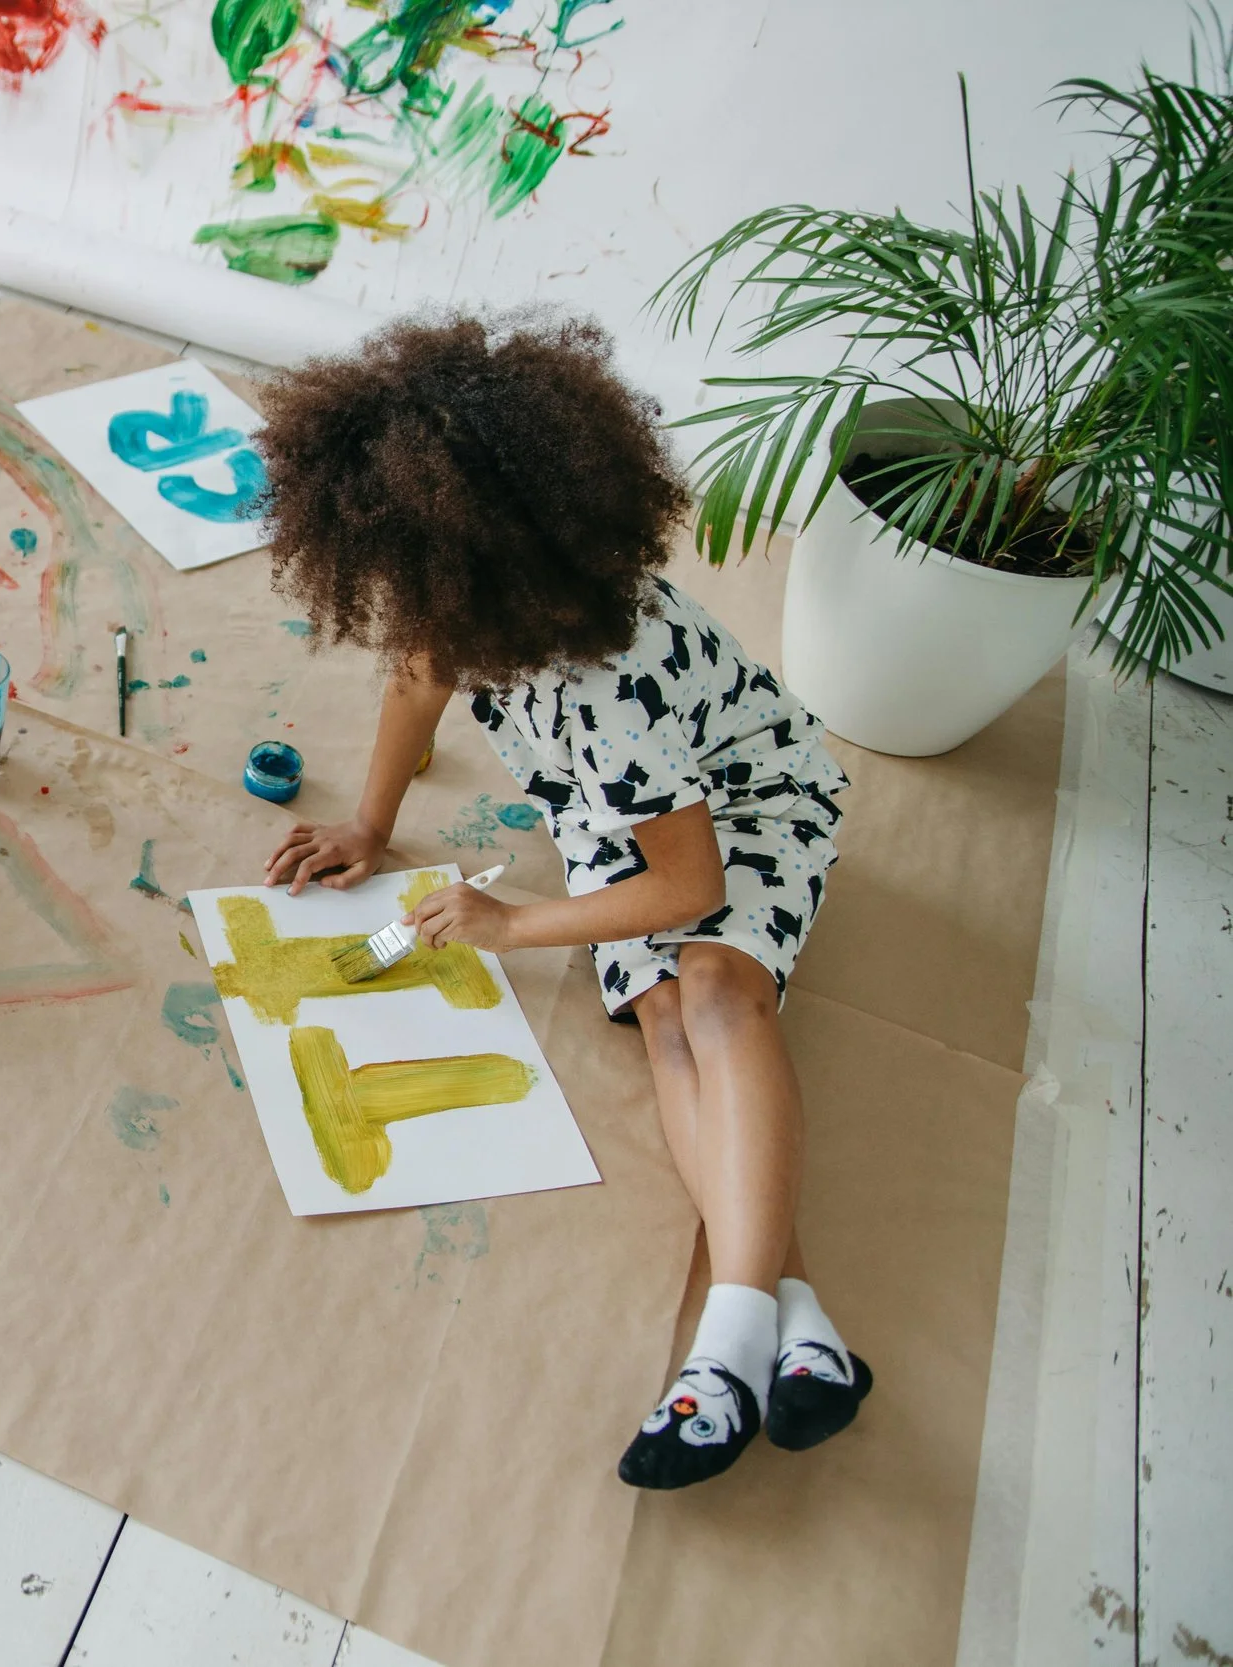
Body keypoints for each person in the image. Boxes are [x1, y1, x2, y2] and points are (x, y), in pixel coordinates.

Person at [252, 313, 873, 1490]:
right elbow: (414, 689)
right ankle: (801, 1328)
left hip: (746, 809)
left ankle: (726, 1343)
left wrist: (512, 926)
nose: (404, 613)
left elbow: (691, 883)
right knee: (659, 1024)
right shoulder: (466, 604)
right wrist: (371, 826)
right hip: (614, 818)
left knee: (714, 988)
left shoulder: (610, 685)